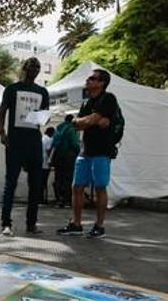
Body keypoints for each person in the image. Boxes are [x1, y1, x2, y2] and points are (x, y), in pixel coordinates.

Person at [57, 69, 118, 238]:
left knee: (100, 187)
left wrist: (87, 121)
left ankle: (99, 226)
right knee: (77, 187)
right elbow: (77, 124)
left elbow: (87, 121)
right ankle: (76, 224)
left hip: (101, 151)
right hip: (85, 151)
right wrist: (91, 120)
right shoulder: (87, 102)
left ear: (101, 83)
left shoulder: (108, 99)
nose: (88, 80)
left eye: (92, 78)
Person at [0, 57, 48, 236]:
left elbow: (43, 118)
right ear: (24, 68)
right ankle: (6, 223)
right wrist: (2, 132)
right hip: (15, 142)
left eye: (38, 66)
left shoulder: (43, 91)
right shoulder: (12, 89)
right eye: (32, 65)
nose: (35, 68)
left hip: (34, 142)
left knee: (35, 185)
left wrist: (43, 117)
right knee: (10, 183)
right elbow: (2, 110)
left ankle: (31, 223)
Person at [50, 114, 79, 208]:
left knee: (58, 178)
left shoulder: (58, 129)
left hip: (58, 157)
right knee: (69, 178)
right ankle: (67, 200)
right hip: (68, 157)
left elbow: (53, 143)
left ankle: (59, 200)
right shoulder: (71, 129)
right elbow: (75, 144)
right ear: (72, 120)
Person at [41, 126, 55, 205]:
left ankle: (40, 198)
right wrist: (51, 160)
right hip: (46, 163)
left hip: (40, 163)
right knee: (44, 182)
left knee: (40, 182)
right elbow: (48, 150)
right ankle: (44, 198)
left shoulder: (42, 138)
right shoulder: (49, 139)